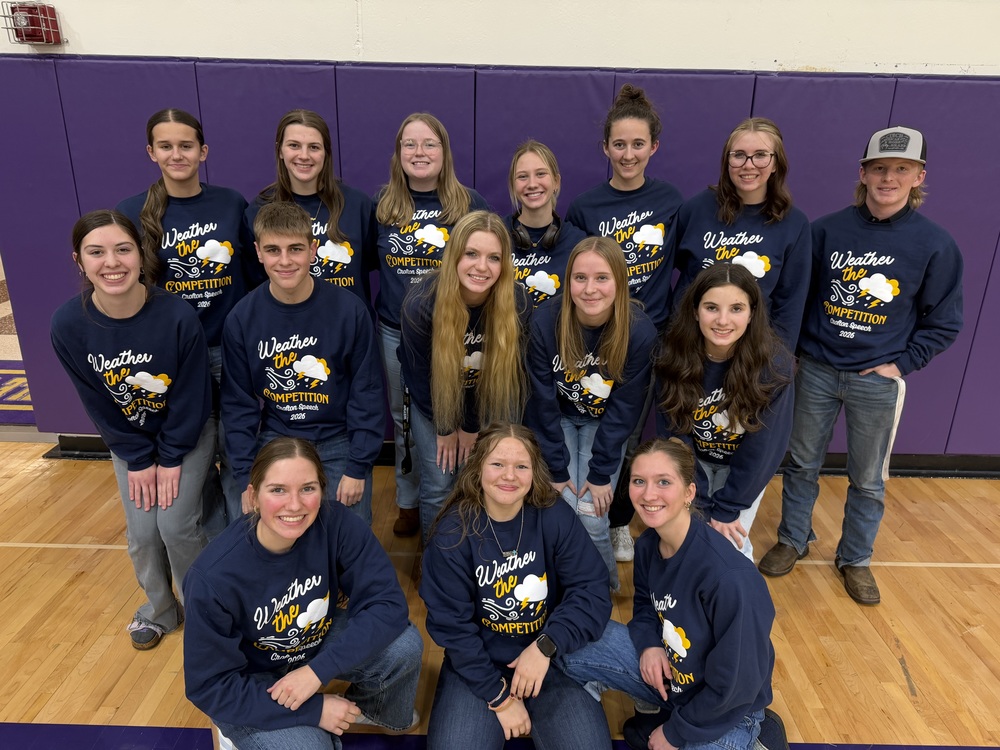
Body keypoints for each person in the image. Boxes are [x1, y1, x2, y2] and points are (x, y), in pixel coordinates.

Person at [758, 126, 964, 606]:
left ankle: (855, 559)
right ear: (863, 173)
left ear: (919, 176)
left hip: (876, 379)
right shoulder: (826, 230)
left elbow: (944, 321)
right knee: (803, 462)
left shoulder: (935, 244)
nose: (888, 178)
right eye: (879, 168)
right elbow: (797, 296)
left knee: (868, 477)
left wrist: (902, 364)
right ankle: (793, 538)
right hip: (817, 369)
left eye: (901, 169)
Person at [183, 436, 423, 750]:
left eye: (307, 488)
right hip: (250, 678)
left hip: (311, 645)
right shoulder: (212, 576)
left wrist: (316, 672)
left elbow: (387, 604)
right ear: (253, 496)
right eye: (278, 490)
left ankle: (371, 710)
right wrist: (315, 709)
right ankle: (235, 731)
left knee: (403, 645)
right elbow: (209, 686)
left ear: (322, 490)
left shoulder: (337, 524)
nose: (294, 505)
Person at [51, 210, 214, 650]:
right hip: (131, 444)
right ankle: (160, 611)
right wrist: (140, 460)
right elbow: (98, 403)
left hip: (188, 434)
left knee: (176, 526)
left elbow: (191, 399)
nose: (112, 262)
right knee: (143, 533)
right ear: (78, 261)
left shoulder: (177, 316)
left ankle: (205, 612)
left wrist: (171, 457)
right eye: (96, 252)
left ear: (141, 256)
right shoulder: (68, 324)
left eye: (123, 249)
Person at [558, 438, 776, 750]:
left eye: (663, 482)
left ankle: (751, 741)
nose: (648, 494)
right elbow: (646, 607)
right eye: (638, 481)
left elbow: (736, 686)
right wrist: (648, 646)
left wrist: (675, 733)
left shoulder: (729, 577)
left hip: (725, 710)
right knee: (572, 642)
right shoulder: (648, 545)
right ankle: (655, 710)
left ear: (689, 492)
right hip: (675, 681)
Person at [419, 423, 613, 750]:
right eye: (497, 464)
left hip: (549, 659)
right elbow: (452, 627)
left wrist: (546, 646)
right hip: (478, 666)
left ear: (534, 472)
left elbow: (591, 588)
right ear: (477, 467)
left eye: (521, 466)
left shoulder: (554, 516)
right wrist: (500, 699)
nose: (509, 476)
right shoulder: (452, 534)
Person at [116, 108, 256, 535]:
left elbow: (251, 279)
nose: (177, 154)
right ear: (151, 153)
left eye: (186, 145)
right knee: (194, 461)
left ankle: (244, 543)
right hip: (173, 361)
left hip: (229, 352)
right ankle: (213, 550)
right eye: (166, 146)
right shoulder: (133, 211)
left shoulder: (231, 203)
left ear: (203, 151)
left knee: (237, 453)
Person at [566, 83, 684, 562]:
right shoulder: (585, 207)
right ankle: (593, 518)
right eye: (619, 144)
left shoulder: (672, 202)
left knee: (629, 435)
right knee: (594, 424)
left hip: (645, 339)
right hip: (594, 341)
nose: (628, 153)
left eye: (638, 144)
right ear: (606, 148)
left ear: (653, 146)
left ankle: (617, 521)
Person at [221, 202, 383, 526]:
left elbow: (367, 393)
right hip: (278, 436)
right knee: (266, 530)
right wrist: (246, 479)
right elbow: (237, 407)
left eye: (295, 249)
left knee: (349, 538)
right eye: (273, 250)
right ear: (258, 252)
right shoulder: (241, 318)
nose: (284, 260)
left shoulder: (350, 311)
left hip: (339, 439)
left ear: (313, 250)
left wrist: (358, 467)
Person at [375, 113, 491, 538]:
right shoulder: (384, 207)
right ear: (398, 153)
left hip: (456, 333)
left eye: (429, 144)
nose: (419, 152)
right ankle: (409, 499)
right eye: (410, 144)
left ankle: (453, 498)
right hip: (395, 331)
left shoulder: (470, 204)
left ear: (445, 153)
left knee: (456, 413)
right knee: (405, 418)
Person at [524, 237, 656, 589]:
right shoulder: (545, 321)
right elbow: (541, 401)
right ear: (568, 282)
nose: (590, 288)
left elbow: (626, 410)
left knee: (593, 515)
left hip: (604, 423)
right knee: (566, 506)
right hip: (561, 419)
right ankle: (569, 589)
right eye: (580, 278)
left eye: (602, 278)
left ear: (619, 282)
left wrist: (600, 474)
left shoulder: (639, 331)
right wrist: (554, 464)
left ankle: (601, 592)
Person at [400, 210, 530, 542]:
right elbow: (418, 376)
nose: (481, 267)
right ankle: (437, 564)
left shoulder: (517, 302)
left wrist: (470, 426)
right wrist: (445, 427)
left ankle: (479, 552)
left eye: (493, 257)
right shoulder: (421, 303)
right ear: (455, 255)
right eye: (471, 254)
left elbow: (498, 378)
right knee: (440, 481)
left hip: (487, 396)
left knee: (483, 474)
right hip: (433, 398)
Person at [656, 263, 794, 562]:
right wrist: (699, 497)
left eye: (736, 308)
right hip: (694, 464)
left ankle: (741, 603)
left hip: (743, 472)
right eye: (711, 307)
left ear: (752, 313)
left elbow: (763, 449)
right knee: (686, 541)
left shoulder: (775, 365)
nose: (722, 320)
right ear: (695, 311)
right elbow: (675, 432)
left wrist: (729, 507)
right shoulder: (673, 354)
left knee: (728, 548)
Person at [673, 117, 811, 349]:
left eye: (760, 155)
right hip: (687, 348)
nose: (748, 165)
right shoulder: (696, 210)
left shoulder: (794, 224)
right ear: (727, 161)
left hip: (750, 354)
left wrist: (778, 361)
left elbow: (790, 304)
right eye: (738, 155)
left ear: (776, 163)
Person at [246, 109, 376, 307]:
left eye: (314, 147)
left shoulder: (358, 205)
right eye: (294, 145)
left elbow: (370, 262)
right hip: (289, 329)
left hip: (347, 326)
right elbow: (256, 278)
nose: (304, 156)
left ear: (326, 152)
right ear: (280, 150)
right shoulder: (258, 210)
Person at [504, 140, 587, 307]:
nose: (532, 184)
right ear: (513, 186)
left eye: (541, 174)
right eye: (522, 177)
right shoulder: (497, 234)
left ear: (556, 182)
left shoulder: (578, 242)